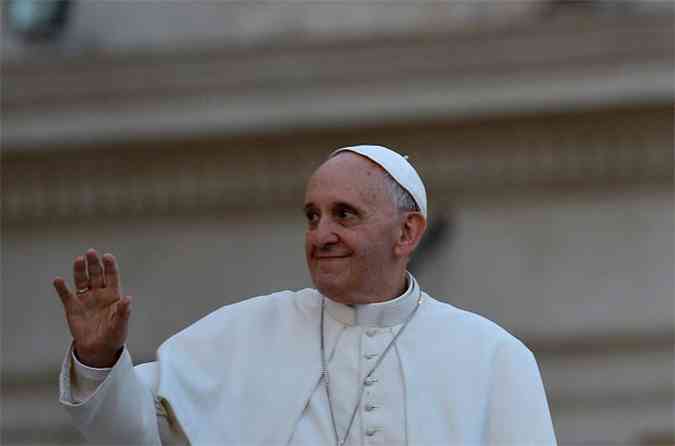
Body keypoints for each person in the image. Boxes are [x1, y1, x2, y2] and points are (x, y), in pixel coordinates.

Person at [54, 145, 557, 445]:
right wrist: (98, 359)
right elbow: (130, 432)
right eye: (312, 216)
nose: (321, 234)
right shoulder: (243, 334)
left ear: (407, 233)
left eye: (344, 214)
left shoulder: (494, 359)